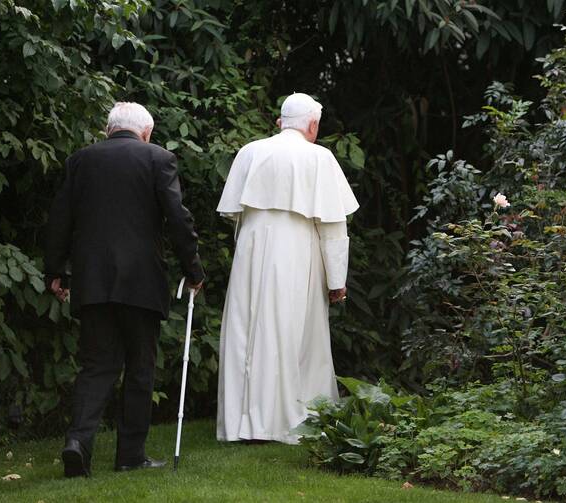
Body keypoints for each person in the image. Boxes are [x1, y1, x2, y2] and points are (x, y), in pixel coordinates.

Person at [44, 102, 204, 477]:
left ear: (108, 129)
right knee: (140, 367)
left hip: (93, 279)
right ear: (146, 132)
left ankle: (78, 442)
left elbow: (59, 219)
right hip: (141, 280)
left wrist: (56, 271)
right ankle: (130, 454)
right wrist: (193, 269)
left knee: (96, 365)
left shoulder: (80, 161)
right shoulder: (158, 158)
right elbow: (178, 218)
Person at [216, 93, 359, 444]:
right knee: (294, 332)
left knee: (245, 331)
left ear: (281, 121)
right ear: (312, 125)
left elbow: (235, 213)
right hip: (298, 250)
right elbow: (332, 227)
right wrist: (336, 280)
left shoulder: (250, 151)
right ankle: (291, 421)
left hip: (251, 247)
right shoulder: (319, 157)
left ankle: (241, 424)